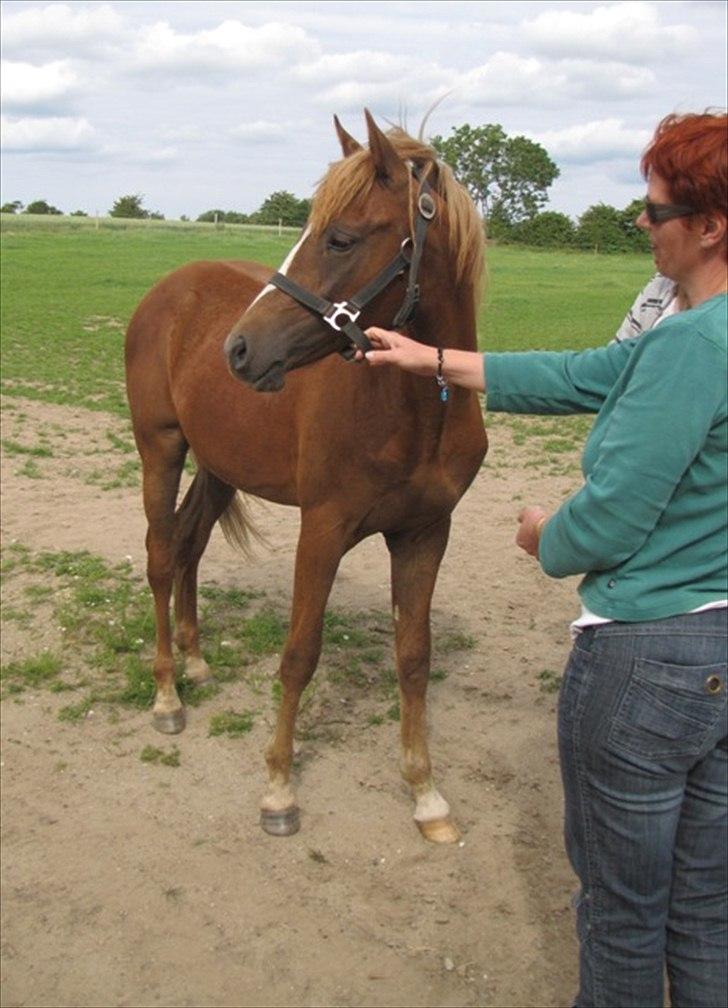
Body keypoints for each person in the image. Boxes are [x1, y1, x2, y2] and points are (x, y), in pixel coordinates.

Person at [361, 111, 728, 1008]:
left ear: (712, 224)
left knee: (620, 910)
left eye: (654, 210)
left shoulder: (692, 345)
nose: (640, 225)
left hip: (649, 658)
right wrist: (432, 359)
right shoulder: (692, 341)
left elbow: (604, 527)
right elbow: (586, 376)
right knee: (706, 902)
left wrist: (544, 535)